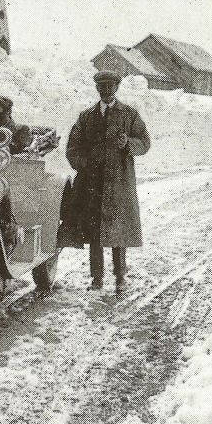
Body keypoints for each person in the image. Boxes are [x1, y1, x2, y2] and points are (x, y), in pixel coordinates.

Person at [60, 70, 151, 292]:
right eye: (102, 87)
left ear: (117, 88)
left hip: (119, 183)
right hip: (92, 185)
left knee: (118, 233)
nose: (107, 90)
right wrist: (83, 164)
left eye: (110, 86)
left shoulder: (129, 114)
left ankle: (120, 277)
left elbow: (145, 142)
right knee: (94, 233)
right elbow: (72, 147)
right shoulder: (86, 116)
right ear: (97, 88)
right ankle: (97, 279)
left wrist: (128, 143)